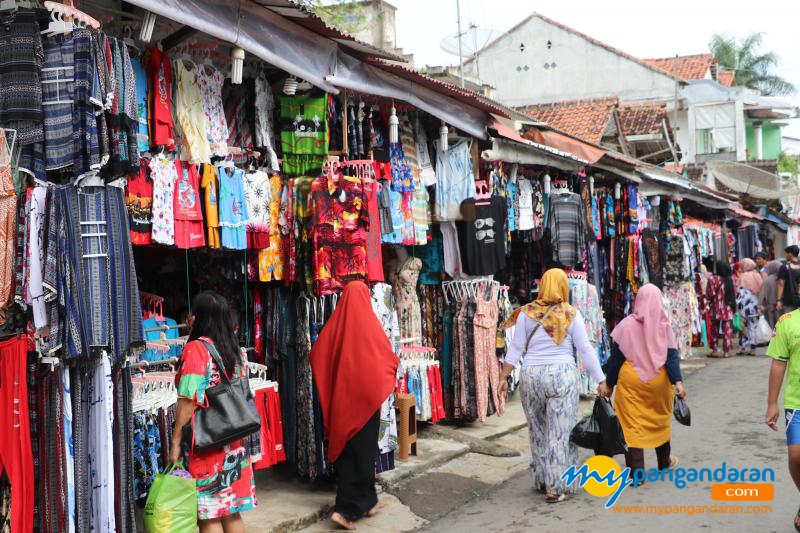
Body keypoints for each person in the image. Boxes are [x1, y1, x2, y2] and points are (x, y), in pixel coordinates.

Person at [498, 268, 606, 503]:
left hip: (531, 377)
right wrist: (601, 379)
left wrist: (503, 378)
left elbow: (515, 349)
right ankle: (556, 486)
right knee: (560, 433)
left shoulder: (526, 313)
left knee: (537, 431)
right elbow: (585, 349)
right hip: (561, 376)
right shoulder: (571, 314)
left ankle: (541, 479)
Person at [310, 282, 399, 530]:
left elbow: (316, 354)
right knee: (361, 454)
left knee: (352, 453)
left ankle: (368, 501)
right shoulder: (369, 325)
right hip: (366, 404)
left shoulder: (336, 325)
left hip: (343, 403)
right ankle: (345, 511)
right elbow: (388, 358)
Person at [170, 291, 257, 533]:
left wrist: (176, 442)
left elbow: (188, 401)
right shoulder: (236, 349)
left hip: (207, 443)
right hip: (234, 440)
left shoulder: (196, 349)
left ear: (198, 318)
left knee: (208, 515)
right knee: (230, 511)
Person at [598, 284, 686, 477]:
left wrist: (609, 384)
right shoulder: (664, 324)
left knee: (631, 425)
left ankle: (637, 473)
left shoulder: (627, 325)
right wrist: (677, 382)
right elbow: (671, 356)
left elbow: (616, 359)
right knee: (659, 420)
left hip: (632, 382)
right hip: (659, 381)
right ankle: (664, 461)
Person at [765, 307, 800, 532]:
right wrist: (772, 403)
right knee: (796, 456)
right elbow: (779, 363)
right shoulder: (787, 321)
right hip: (797, 405)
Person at [706, 260, 736, 358]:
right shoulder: (730, 279)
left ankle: (714, 350)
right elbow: (734, 294)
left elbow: (709, 294)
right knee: (727, 331)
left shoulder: (712, 279)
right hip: (727, 309)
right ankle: (726, 352)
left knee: (714, 330)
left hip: (715, 309)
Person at [737, 258, 763, 356]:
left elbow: (739, 293)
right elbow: (761, 289)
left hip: (745, 307)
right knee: (753, 327)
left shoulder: (742, 276)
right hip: (755, 306)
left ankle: (743, 347)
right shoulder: (757, 275)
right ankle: (753, 348)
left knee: (743, 327)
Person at [760, 260, 782, 328]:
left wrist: (759, 305)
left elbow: (762, 293)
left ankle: (774, 337)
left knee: (772, 323)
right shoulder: (782, 279)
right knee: (781, 322)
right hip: (781, 304)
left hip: (769, 304)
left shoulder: (767, 280)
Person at [778, 245, 800, 315]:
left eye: (786, 254)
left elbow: (781, 284)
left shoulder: (784, 267)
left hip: (789, 301)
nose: (785, 256)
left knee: (790, 323)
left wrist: (779, 300)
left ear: (790, 254)